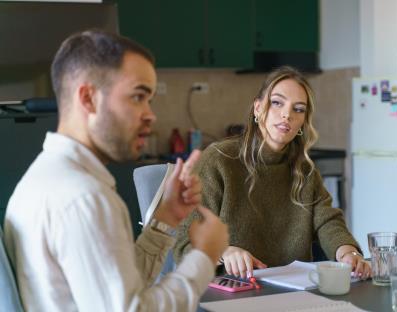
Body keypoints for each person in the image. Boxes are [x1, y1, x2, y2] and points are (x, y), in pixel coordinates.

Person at [3, 29, 228, 311]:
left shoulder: (44, 178)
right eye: (137, 97)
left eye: (149, 100)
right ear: (88, 99)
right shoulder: (85, 197)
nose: (150, 114)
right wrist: (205, 256)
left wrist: (166, 217)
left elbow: (116, 289)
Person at [174, 66, 371, 279]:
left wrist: (347, 252)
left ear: (303, 123)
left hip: (292, 292)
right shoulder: (219, 160)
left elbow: (326, 221)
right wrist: (224, 252)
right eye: (277, 103)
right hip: (231, 293)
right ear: (258, 109)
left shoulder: (304, 171)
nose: (287, 114)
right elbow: (185, 243)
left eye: (298, 109)